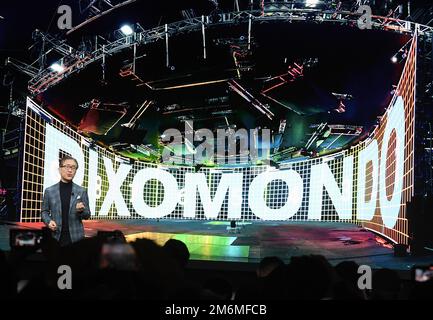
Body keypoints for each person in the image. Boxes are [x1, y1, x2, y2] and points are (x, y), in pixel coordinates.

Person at [41, 156, 91, 246]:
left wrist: (81, 211)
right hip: (55, 237)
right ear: (60, 169)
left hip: (76, 238)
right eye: (67, 166)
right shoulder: (49, 191)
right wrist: (48, 222)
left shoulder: (81, 191)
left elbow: (87, 215)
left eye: (73, 167)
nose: (70, 170)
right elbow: (44, 211)